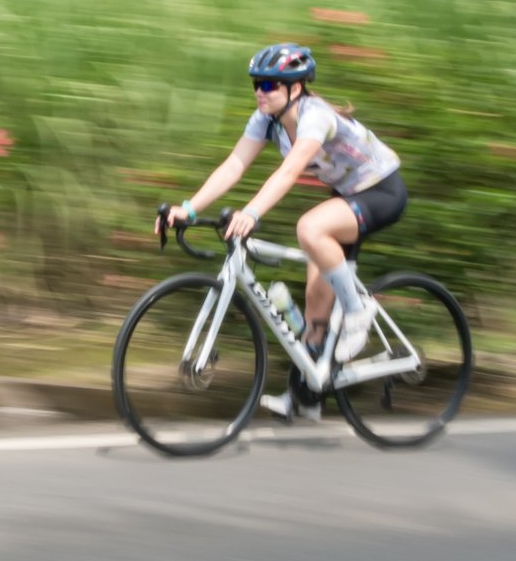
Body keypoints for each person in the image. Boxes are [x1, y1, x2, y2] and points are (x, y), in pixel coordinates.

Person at [154, 43, 408, 421]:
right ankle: (308, 396)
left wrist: (252, 212)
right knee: (314, 307)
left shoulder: (315, 116)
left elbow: (289, 171)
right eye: (257, 82)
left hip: (383, 191)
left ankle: (359, 310)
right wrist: (187, 208)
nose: (261, 90)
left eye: (271, 83)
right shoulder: (267, 119)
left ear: (296, 88)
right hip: (348, 196)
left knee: (309, 227)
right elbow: (234, 165)